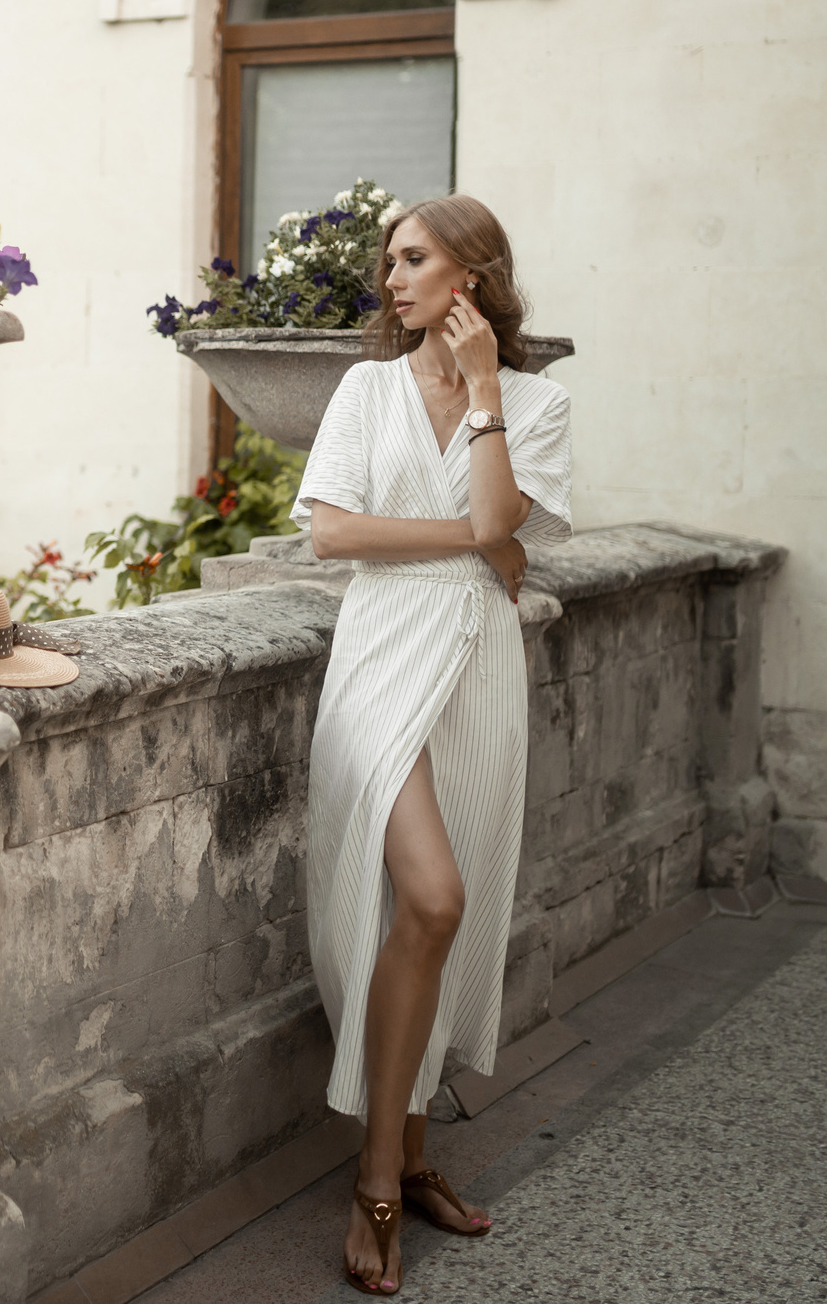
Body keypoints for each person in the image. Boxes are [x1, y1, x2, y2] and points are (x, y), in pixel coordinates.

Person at [291, 194, 572, 1294]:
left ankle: (410, 1158)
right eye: (388, 260)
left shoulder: (537, 402)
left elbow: (510, 523)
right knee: (432, 895)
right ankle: (372, 1181)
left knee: (445, 913)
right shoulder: (366, 388)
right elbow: (331, 532)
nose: (390, 278)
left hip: (479, 666)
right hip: (379, 657)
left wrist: (490, 390)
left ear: (471, 273)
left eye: (412, 258)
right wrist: (474, 540)